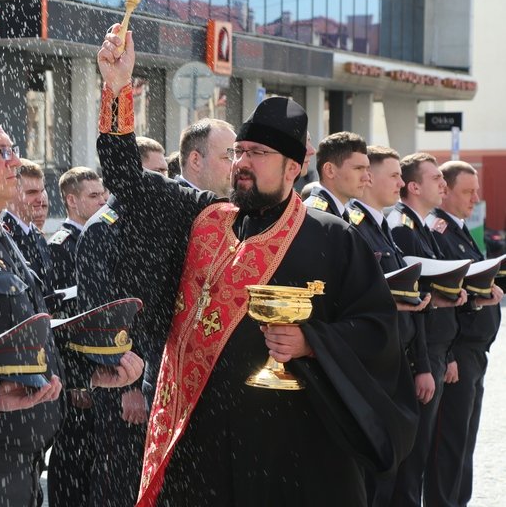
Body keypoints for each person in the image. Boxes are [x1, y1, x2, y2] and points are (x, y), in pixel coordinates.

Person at [96, 25, 416, 506]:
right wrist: (117, 86)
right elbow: (124, 175)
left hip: (290, 447)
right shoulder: (202, 215)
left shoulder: (333, 239)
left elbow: (378, 331)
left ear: (293, 169)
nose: (243, 163)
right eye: (239, 152)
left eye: (259, 154)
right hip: (198, 439)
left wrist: (313, 342)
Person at [0, 111, 141, 506]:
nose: (14, 160)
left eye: (12, 149)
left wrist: (92, 372)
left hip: (17, 460)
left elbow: (27, 347)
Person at [74, 138, 170, 507]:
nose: (165, 180)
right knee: (120, 480)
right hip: (124, 384)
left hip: (153, 375)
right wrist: (128, 387)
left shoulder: (149, 223)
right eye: (156, 172)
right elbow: (103, 316)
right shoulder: (104, 228)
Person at [347, 146, 429, 506]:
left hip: (397, 361)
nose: (400, 183)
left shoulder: (382, 227)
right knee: (378, 473)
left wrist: (420, 365)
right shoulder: (355, 228)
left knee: (399, 469)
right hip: (373, 364)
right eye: (393, 175)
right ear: (368, 179)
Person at [387, 152, 467, 507]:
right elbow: (416, 302)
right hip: (419, 353)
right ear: (414, 186)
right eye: (437, 179)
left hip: (436, 350)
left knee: (424, 454)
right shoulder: (403, 228)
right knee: (413, 460)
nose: (443, 185)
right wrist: (425, 362)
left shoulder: (419, 226)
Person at [424, 160, 503, 507]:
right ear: (446, 191)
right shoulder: (439, 232)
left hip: (475, 353)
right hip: (458, 355)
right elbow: (443, 299)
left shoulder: (459, 231)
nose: (475, 199)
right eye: (467, 192)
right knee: (448, 445)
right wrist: (450, 356)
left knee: (464, 444)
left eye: (476, 191)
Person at [48, 167, 107, 314]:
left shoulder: (104, 235)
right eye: (94, 196)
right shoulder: (59, 245)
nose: (102, 202)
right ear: (72, 201)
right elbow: (67, 300)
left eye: (102, 195)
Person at [0, 159, 55, 295]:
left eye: (41, 191)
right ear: (11, 193)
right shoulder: (1, 233)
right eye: (31, 192)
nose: (40, 199)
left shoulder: (36, 234)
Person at [302, 131, 369, 219]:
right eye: (358, 168)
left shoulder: (342, 213)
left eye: (367, 169)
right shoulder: (314, 217)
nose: (366, 178)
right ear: (330, 170)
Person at [176, 118, 236, 195]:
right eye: (228, 158)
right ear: (195, 161)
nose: (237, 166)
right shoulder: (170, 203)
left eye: (237, 158)